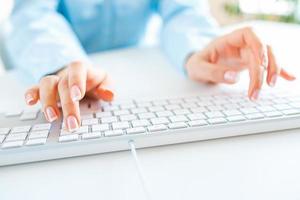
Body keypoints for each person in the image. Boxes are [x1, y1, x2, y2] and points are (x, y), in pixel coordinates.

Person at [1, 0, 295, 132]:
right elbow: (32, 16)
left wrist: (196, 52)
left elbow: (181, 11)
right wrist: (64, 66)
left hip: (142, 73)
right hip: (61, 69)